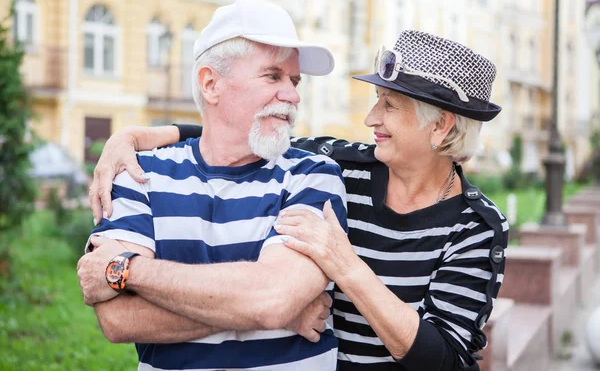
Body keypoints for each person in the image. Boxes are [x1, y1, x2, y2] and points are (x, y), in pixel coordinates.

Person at [89, 30, 508, 371]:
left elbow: (444, 360)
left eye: (390, 106)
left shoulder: (475, 226)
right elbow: (238, 132)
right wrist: (130, 138)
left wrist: (345, 265)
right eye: (376, 101)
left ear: (441, 127)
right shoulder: (344, 165)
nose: (371, 119)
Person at [77, 0, 348, 371]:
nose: (293, 95)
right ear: (211, 84)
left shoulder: (313, 174)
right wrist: (272, 314)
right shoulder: (139, 172)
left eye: (294, 80)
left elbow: (271, 298)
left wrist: (128, 270)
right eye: (273, 76)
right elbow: (119, 320)